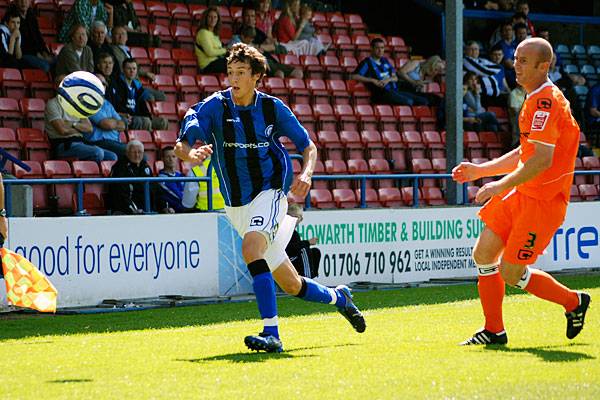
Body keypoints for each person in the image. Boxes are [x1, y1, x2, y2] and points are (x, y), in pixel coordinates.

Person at [176, 43, 366, 353]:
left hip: (271, 192)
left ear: (256, 77)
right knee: (291, 285)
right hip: (236, 205)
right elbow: (181, 144)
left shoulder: (272, 108)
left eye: (240, 73)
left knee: (251, 248)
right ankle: (339, 298)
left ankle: (271, 334)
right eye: (230, 73)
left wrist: (306, 175)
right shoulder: (214, 107)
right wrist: (190, 154)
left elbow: (309, 146)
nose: (233, 79)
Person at [452, 38, 591, 346]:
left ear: (545, 66)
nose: (516, 65)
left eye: (524, 61)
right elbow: (526, 151)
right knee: (483, 253)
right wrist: (481, 170)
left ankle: (573, 302)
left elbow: (542, 159)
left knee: (512, 272)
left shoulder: (546, 102)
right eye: (516, 59)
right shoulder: (533, 98)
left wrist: (499, 185)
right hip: (523, 193)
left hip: (543, 201)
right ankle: (494, 331)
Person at [45, 76, 117, 162]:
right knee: (98, 152)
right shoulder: (52, 104)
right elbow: (62, 130)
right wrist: (80, 129)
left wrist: (72, 124)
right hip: (64, 145)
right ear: (56, 86)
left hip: (81, 143)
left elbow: (89, 128)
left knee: (112, 157)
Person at [351, 38, 428, 106]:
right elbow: (354, 76)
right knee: (409, 102)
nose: (380, 50)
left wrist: (388, 80)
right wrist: (372, 80)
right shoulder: (367, 62)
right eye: (377, 48)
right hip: (382, 94)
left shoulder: (385, 61)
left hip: (395, 90)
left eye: (382, 48)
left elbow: (395, 78)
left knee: (423, 101)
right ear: (372, 48)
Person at [106, 58, 168, 131]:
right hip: (126, 117)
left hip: (137, 116)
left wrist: (148, 116)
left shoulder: (136, 86)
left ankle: (156, 138)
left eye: (134, 69)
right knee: (146, 122)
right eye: (129, 68)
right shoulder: (117, 84)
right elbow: (117, 105)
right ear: (123, 70)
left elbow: (142, 105)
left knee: (163, 122)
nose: (132, 71)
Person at [86, 72, 127, 158]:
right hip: (98, 142)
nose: (102, 86)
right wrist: (114, 122)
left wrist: (112, 123)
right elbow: (106, 124)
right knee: (134, 152)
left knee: (137, 152)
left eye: (104, 84)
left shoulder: (107, 103)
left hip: (114, 142)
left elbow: (123, 125)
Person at [108, 140, 155, 214]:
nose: (137, 155)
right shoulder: (119, 168)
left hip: (146, 210)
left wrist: (164, 207)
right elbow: (120, 194)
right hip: (124, 211)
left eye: (139, 152)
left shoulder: (145, 167)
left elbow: (155, 188)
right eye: (134, 152)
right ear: (127, 153)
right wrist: (133, 210)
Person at [6, 0, 54, 71]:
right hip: (23, 54)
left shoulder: (31, 15)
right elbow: (22, 44)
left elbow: (39, 37)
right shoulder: (13, 17)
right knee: (45, 66)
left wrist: (45, 53)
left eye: (26, 0)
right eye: (21, 0)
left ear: (30, 2)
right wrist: (37, 54)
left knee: (59, 61)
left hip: (37, 54)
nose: (23, 2)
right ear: (16, 2)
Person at [285, 203, 320, 279]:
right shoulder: (285, 231)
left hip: (291, 258)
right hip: (285, 260)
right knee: (304, 250)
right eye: (299, 216)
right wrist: (308, 242)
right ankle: (307, 279)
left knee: (315, 252)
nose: (301, 219)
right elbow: (290, 249)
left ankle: (311, 277)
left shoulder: (294, 232)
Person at [195, 7, 227, 73]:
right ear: (205, 18)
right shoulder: (203, 33)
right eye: (210, 17)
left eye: (215, 17)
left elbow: (219, 50)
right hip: (208, 65)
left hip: (218, 62)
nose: (213, 19)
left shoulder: (215, 34)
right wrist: (225, 50)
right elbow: (210, 52)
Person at [157, 146, 185, 213]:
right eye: (167, 157)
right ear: (162, 159)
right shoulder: (161, 179)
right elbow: (179, 196)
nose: (171, 159)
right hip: (173, 212)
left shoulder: (180, 175)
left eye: (173, 156)